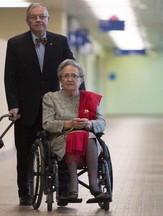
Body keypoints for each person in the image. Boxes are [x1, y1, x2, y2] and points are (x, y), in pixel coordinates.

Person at [4, 3, 75, 205]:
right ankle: (24, 192)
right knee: (24, 152)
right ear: (27, 21)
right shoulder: (15, 44)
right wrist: (13, 105)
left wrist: (81, 98)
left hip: (55, 109)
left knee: (60, 149)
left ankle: (63, 192)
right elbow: (10, 77)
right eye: (33, 17)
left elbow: (73, 70)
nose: (38, 20)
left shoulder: (60, 42)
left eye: (41, 16)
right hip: (26, 108)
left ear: (47, 19)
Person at [42, 59, 111, 204]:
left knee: (88, 136)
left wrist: (89, 123)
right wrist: (68, 124)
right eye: (66, 76)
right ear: (60, 79)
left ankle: (94, 186)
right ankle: (74, 187)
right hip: (61, 139)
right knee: (75, 136)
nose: (70, 79)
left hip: (87, 140)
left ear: (80, 80)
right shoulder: (51, 98)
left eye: (74, 76)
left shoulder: (89, 98)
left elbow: (102, 123)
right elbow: (47, 124)